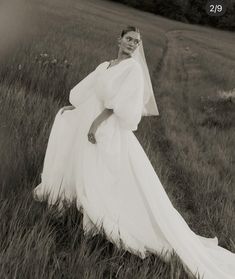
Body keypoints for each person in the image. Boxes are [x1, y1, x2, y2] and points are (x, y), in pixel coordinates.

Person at [32, 26, 235, 279]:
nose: (132, 44)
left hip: (107, 126)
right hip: (89, 117)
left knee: (103, 176)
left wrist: (97, 122)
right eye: (129, 39)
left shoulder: (133, 70)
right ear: (119, 39)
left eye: (136, 42)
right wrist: (73, 108)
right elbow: (88, 92)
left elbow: (122, 105)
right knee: (81, 164)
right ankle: (76, 207)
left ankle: (103, 222)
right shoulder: (104, 66)